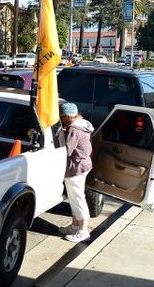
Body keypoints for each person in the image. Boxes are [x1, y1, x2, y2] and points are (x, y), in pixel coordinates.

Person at [59, 102, 94, 243]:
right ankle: (74, 226)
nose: (61, 119)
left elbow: (67, 149)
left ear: (67, 116)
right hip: (83, 165)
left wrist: (60, 134)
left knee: (78, 198)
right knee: (74, 198)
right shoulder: (83, 125)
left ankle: (83, 230)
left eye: (62, 117)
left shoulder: (74, 129)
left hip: (76, 167)